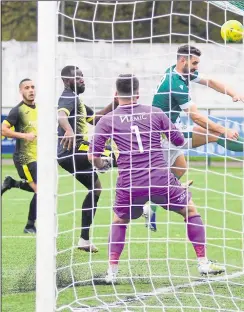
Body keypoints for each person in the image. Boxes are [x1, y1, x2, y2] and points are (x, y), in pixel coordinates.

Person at [88, 74, 225, 283]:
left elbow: (93, 157)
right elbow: (178, 140)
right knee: (190, 211)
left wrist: (103, 165)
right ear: (138, 94)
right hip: (160, 179)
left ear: (115, 95)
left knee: (119, 221)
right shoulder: (155, 112)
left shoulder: (108, 120)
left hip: (129, 183)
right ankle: (203, 263)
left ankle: (112, 273)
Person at [144, 44, 244, 231]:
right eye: (195, 62)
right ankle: (151, 199)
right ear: (184, 60)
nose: (197, 66)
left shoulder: (177, 72)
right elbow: (196, 116)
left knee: (180, 168)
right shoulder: (176, 84)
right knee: (214, 135)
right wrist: (224, 130)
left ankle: (151, 204)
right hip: (164, 136)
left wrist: (234, 93)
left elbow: (211, 82)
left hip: (168, 130)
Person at [57, 65, 117, 253]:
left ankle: (84, 239)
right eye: (77, 77)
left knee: (96, 188)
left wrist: (114, 103)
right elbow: (61, 115)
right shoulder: (68, 96)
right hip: (74, 150)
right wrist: (68, 129)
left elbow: (96, 119)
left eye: (83, 76)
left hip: (71, 154)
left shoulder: (78, 101)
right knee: (119, 153)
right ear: (67, 81)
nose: (82, 79)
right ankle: (101, 162)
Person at [1, 78, 37, 233]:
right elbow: (3, 130)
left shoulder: (40, 109)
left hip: (38, 156)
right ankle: (29, 226)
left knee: (43, 189)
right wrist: (24, 136)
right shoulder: (17, 110)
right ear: (21, 91)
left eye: (33, 87)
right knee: (41, 191)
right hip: (24, 158)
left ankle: (12, 183)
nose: (31, 90)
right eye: (27, 88)